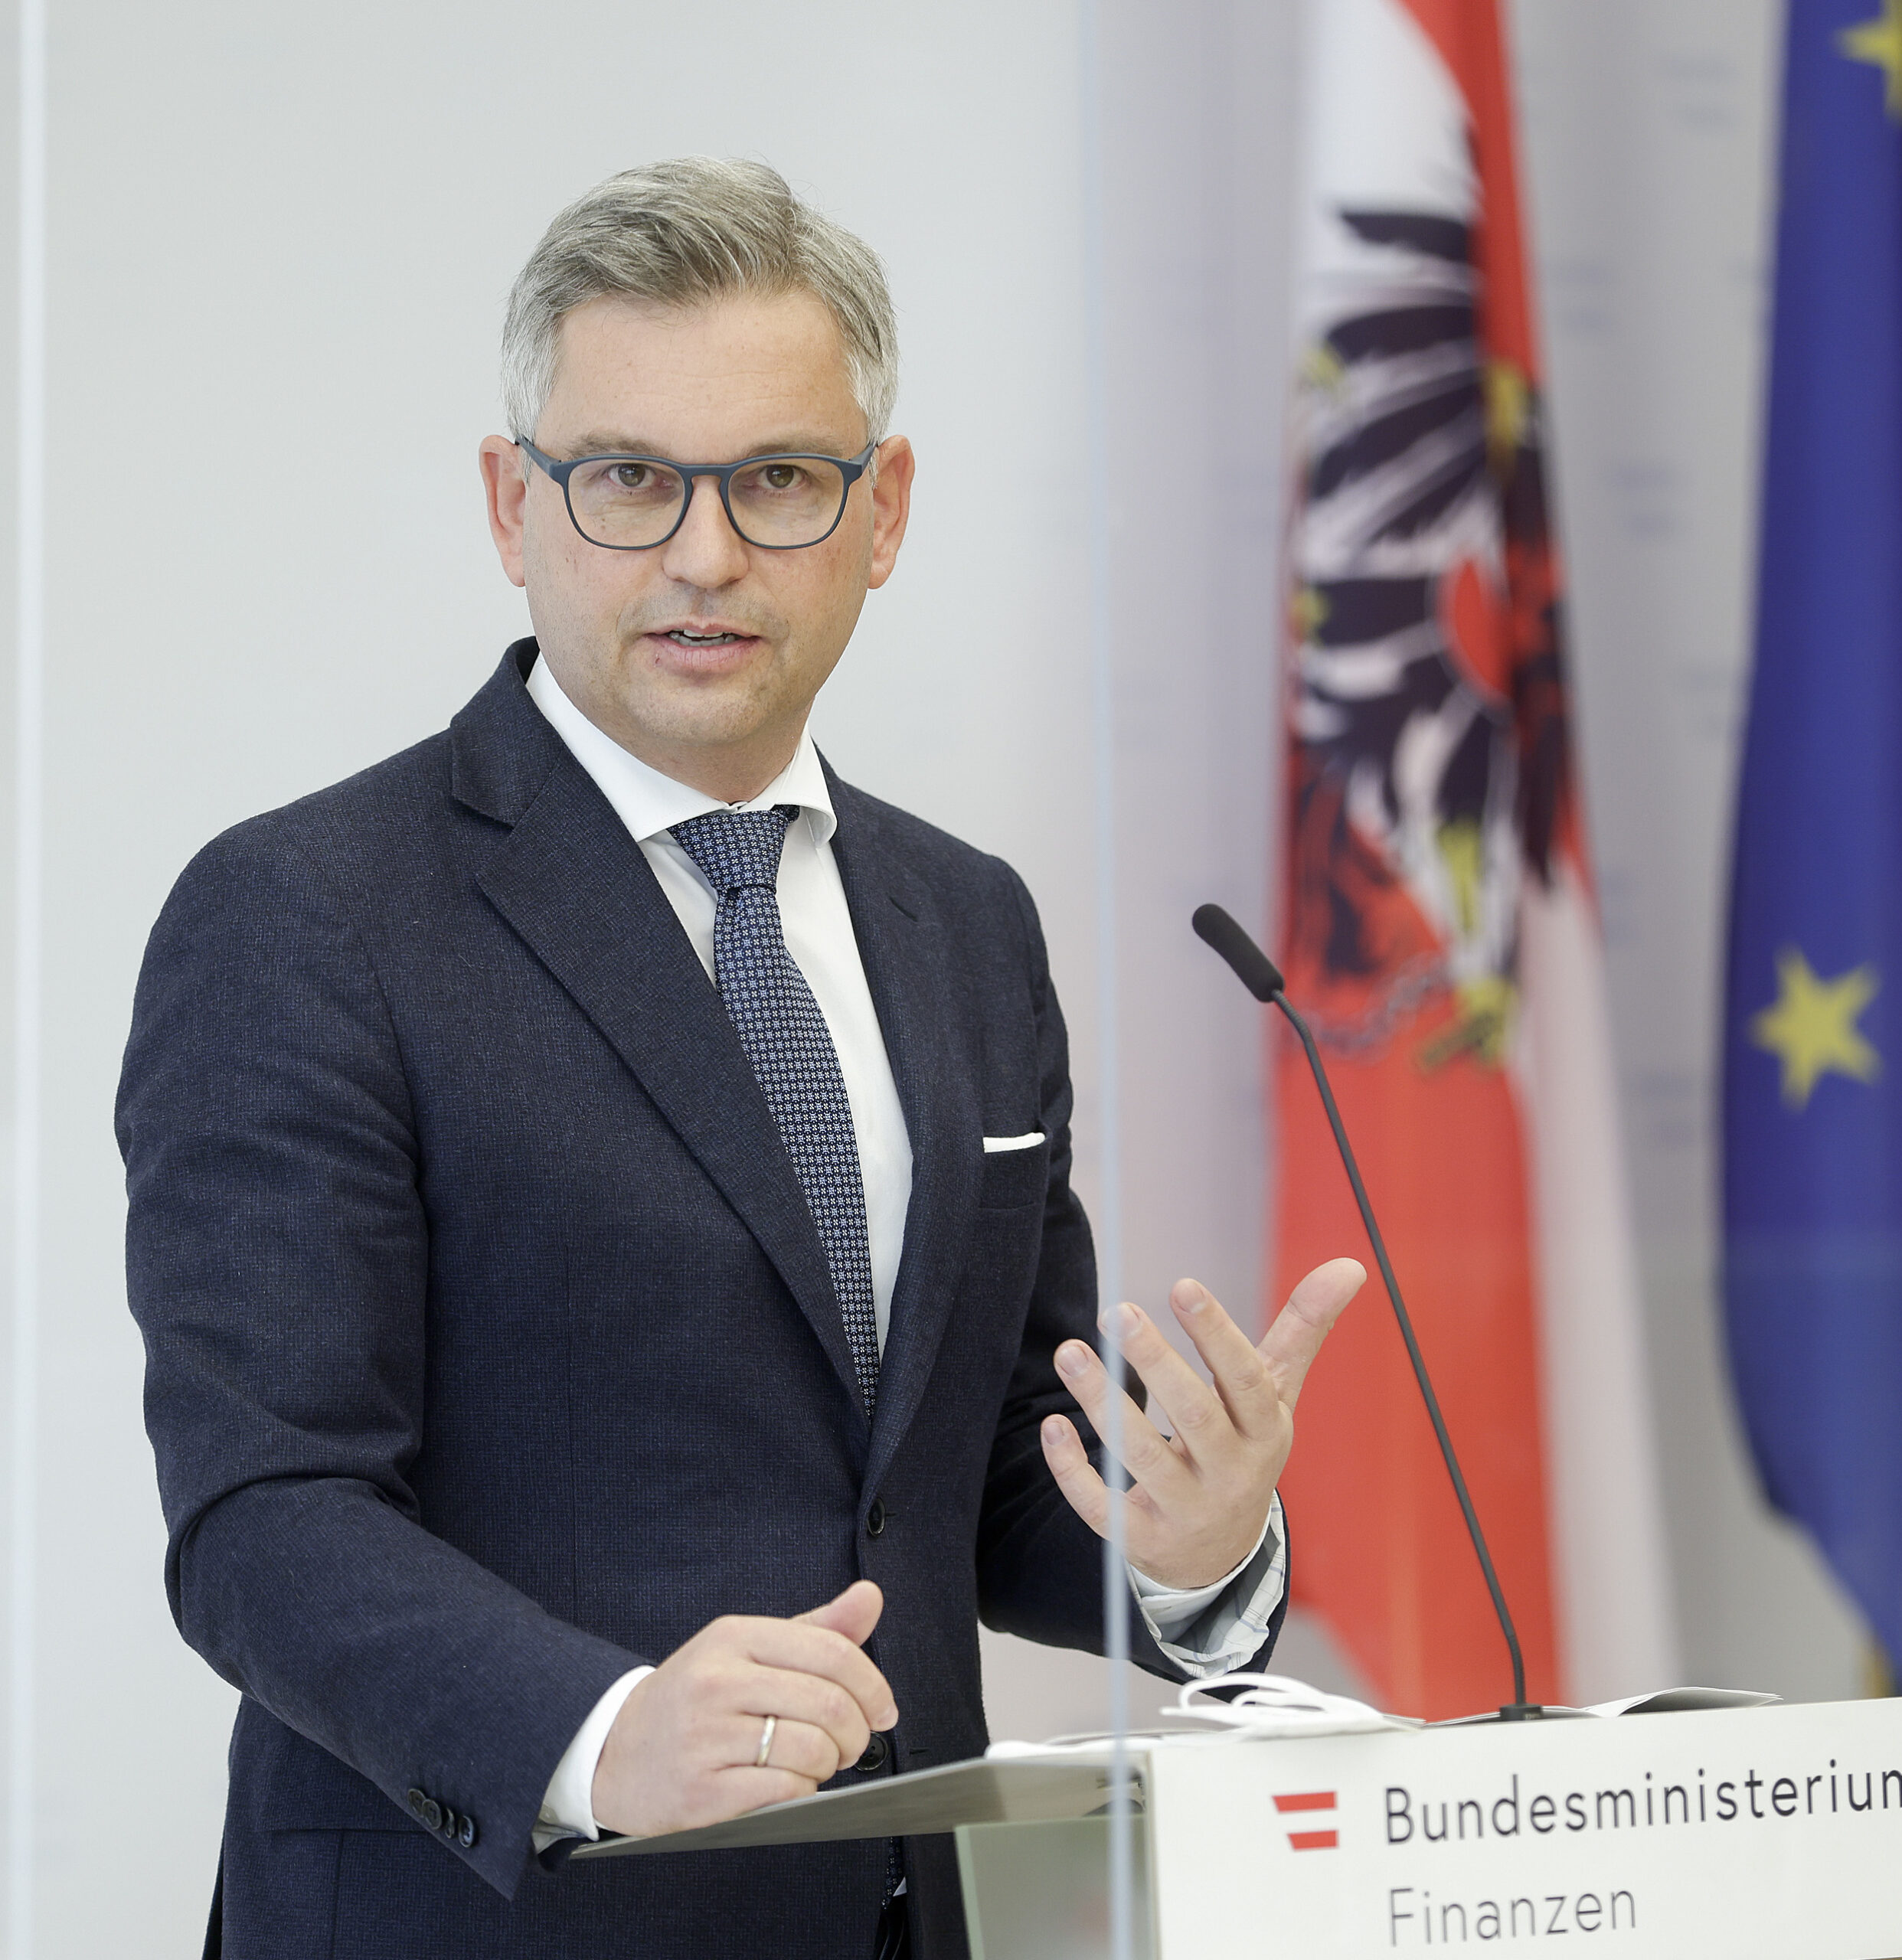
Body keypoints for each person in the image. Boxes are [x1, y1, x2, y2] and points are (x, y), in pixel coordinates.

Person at [117, 158, 1364, 1960]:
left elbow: (980, 1483)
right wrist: (603, 1731)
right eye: (629, 478)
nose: (704, 555)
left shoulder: (968, 920)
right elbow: (263, 1512)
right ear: (513, 506)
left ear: (881, 509)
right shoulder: (306, 912)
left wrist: (1187, 1545)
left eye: (777, 478)